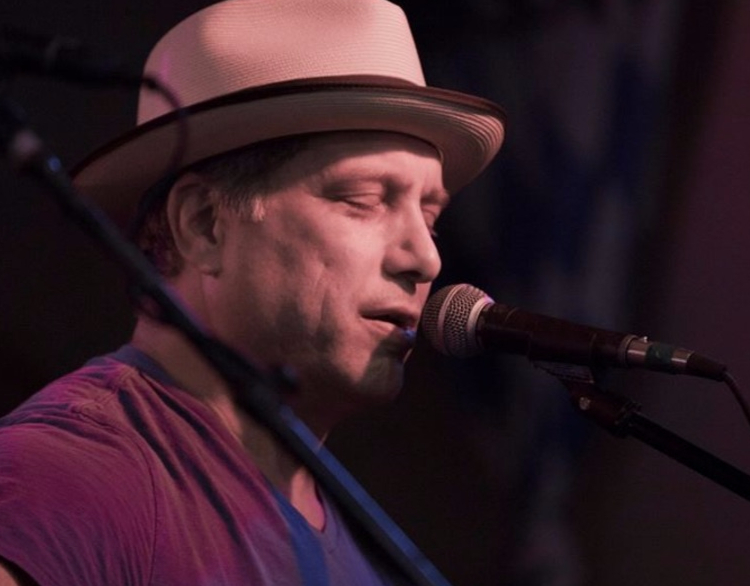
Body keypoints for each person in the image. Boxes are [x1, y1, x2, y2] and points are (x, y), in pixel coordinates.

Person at [0, 0, 505, 584]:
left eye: (431, 218)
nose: (425, 258)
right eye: (364, 200)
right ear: (205, 224)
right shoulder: (64, 475)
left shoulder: (358, 536)